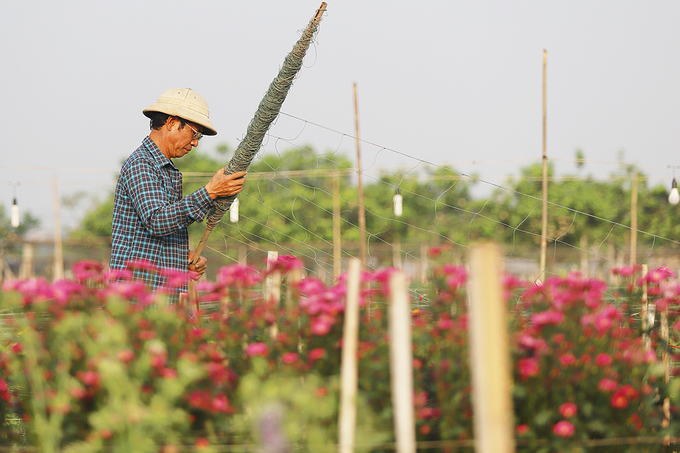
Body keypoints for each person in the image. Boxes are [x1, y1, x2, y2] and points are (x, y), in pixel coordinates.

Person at [110, 88, 246, 299]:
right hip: (139, 300)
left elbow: (157, 235)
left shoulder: (165, 169)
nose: (195, 143)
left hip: (162, 297)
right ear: (171, 123)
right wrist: (210, 191)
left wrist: (182, 259)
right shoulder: (142, 164)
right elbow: (157, 220)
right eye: (194, 133)